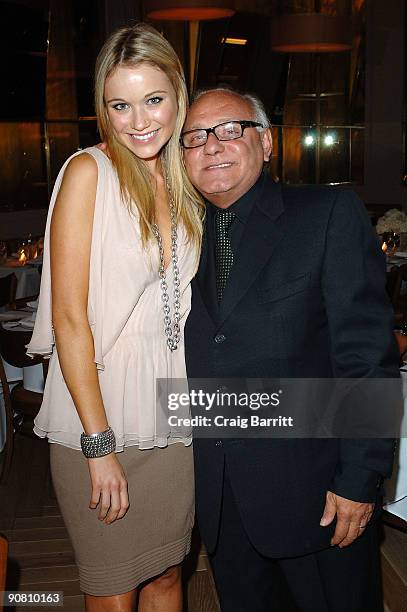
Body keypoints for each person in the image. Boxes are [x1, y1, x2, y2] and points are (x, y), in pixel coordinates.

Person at [181, 87, 400, 611]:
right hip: (220, 498)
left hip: (318, 497)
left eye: (229, 129)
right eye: (195, 138)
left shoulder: (325, 215)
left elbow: (367, 357)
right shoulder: (178, 238)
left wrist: (359, 479)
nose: (212, 146)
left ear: (267, 142)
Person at [27, 23, 203, 612]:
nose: (139, 120)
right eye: (119, 105)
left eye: (153, 99)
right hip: (99, 416)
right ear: (102, 109)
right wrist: (98, 447)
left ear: (178, 95)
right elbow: (70, 321)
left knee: (167, 577)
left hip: (171, 414)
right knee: (112, 589)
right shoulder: (88, 173)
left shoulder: (185, 178)